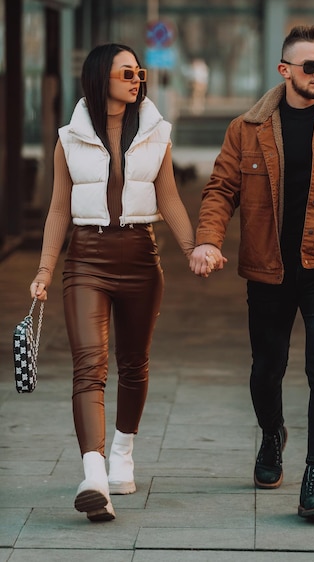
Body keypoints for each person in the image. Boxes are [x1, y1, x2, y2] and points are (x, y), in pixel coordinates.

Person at [189, 25, 314, 523]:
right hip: (268, 268)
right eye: (310, 66)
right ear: (285, 71)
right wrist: (209, 239)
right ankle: (272, 436)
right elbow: (219, 190)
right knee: (267, 368)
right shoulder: (247, 129)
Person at [29, 43, 210, 522]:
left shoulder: (156, 134)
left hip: (140, 259)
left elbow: (169, 196)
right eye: (126, 72)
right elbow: (58, 210)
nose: (137, 79)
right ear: (99, 78)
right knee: (89, 366)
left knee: (133, 363)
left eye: (139, 72)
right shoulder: (68, 139)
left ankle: (123, 452)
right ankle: (93, 474)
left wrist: (193, 249)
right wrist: (45, 270)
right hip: (85, 259)